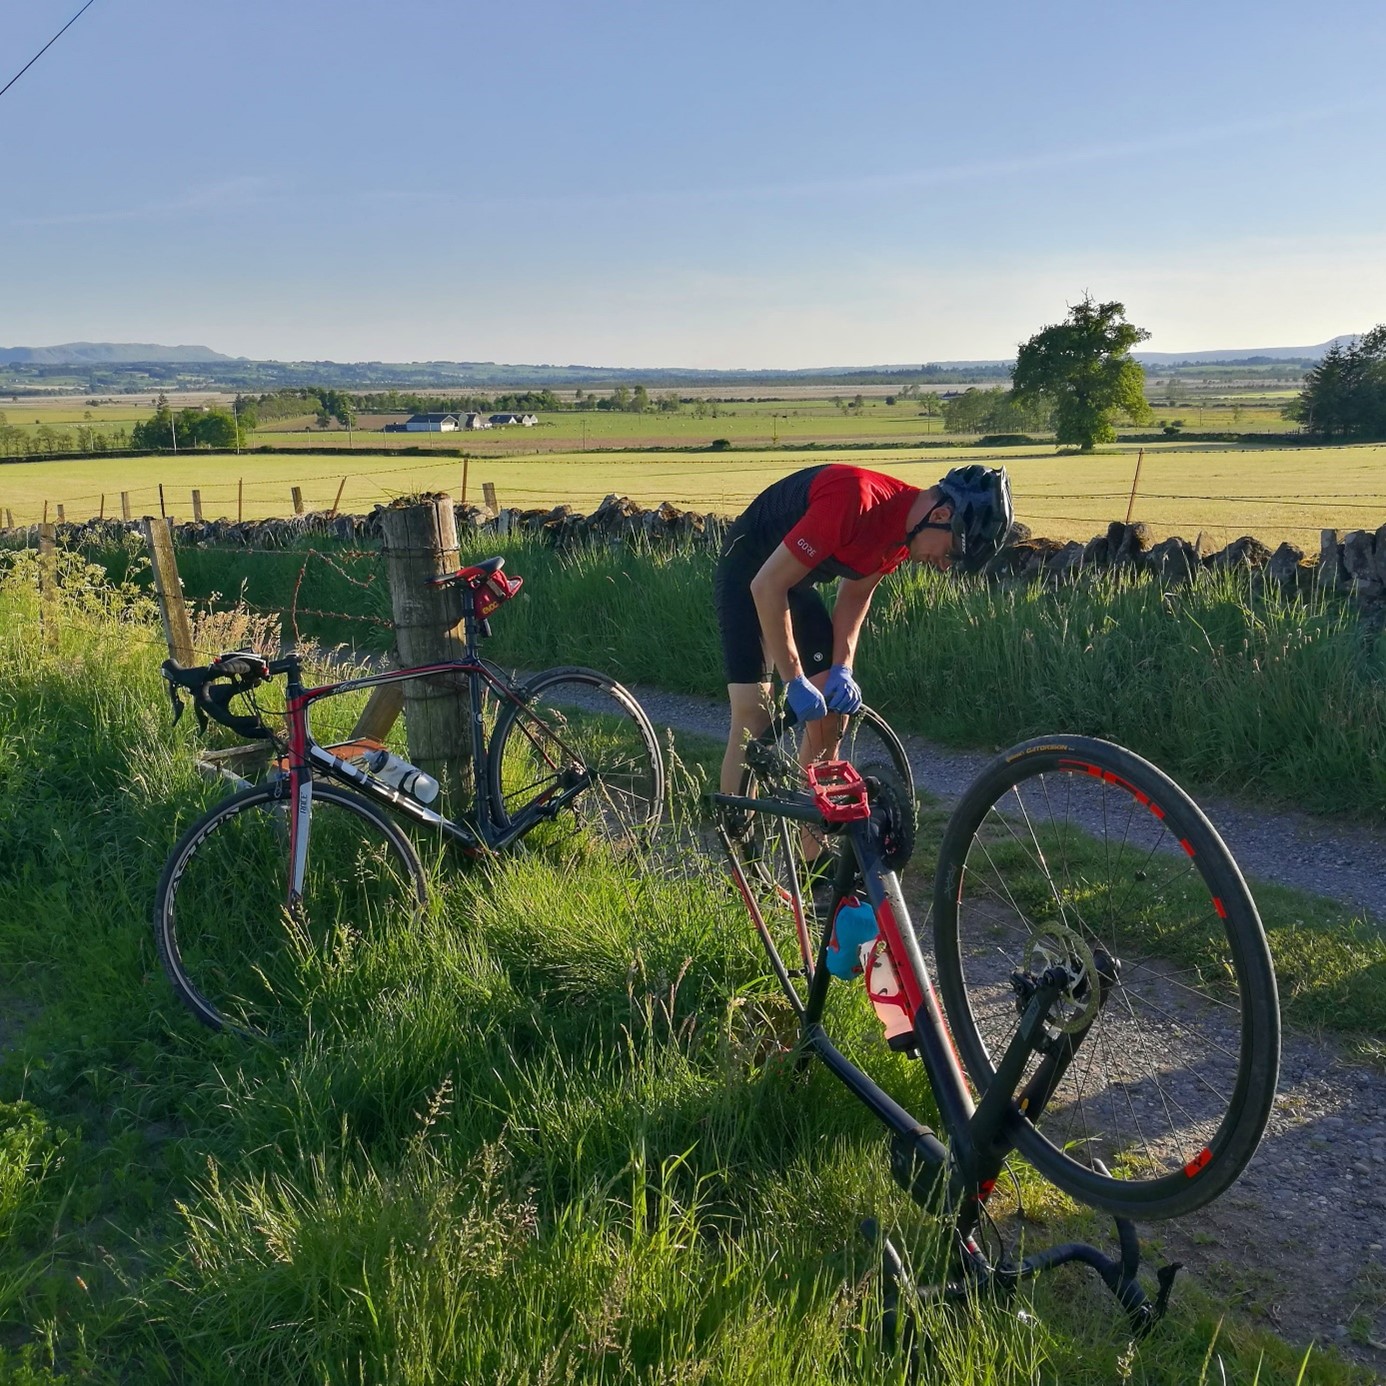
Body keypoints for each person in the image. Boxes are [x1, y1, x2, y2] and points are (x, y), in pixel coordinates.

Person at [714, 462, 1013, 794]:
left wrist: (843, 667)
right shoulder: (856, 500)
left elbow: (856, 593)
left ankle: (816, 836)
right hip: (749, 572)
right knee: (754, 717)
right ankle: (737, 839)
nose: (944, 567)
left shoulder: (904, 537)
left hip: (795, 584)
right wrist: (794, 680)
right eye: (953, 553)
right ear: (941, 516)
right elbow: (767, 586)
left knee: (831, 718)